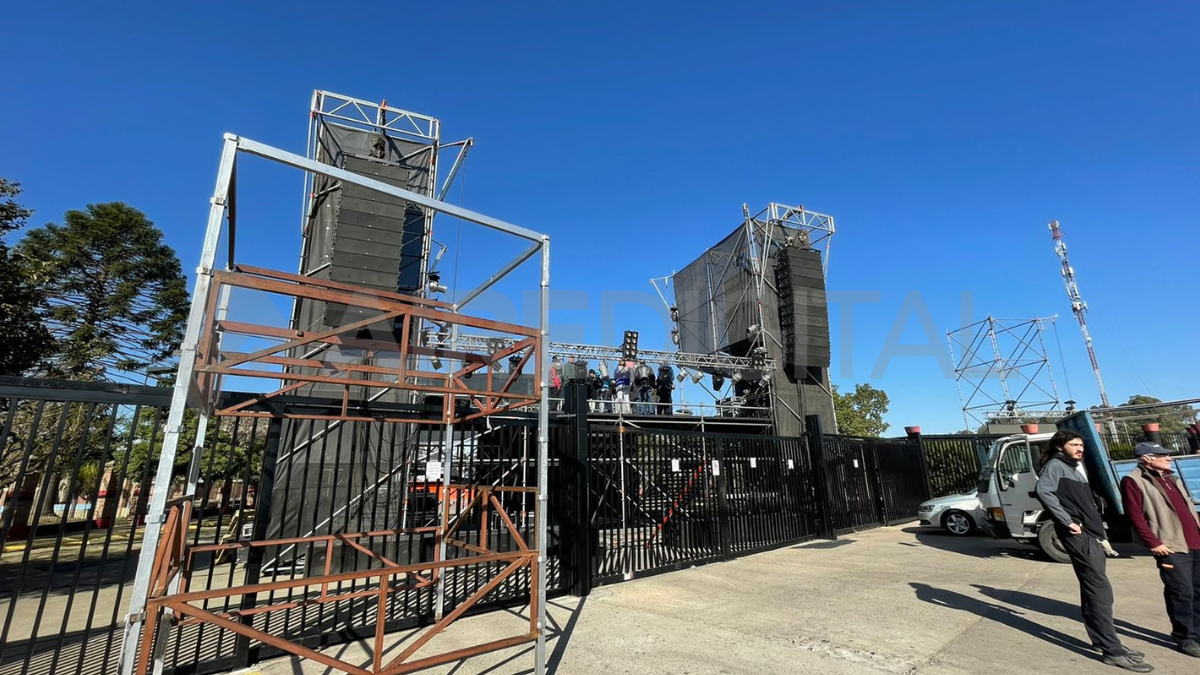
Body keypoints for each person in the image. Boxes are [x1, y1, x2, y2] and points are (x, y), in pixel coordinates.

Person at [1036, 430, 1151, 671]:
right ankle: (1113, 650)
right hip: (1080, 536)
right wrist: (1067, 520)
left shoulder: (1076, 465)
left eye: (1081, 444)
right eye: (1074, 444)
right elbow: (1043, 491)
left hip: (1092, 534)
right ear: (1059, 446)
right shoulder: (1056, 465)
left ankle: (1103, 642)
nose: (1080, 448)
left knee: (1094, 592)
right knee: (1099, 592)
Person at [1120, 441, 1200, 658]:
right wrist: (1154, 543)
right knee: (1181, 592)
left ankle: (1197, 633)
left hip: (1194, 542)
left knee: (1198, 591)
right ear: (1146, 458)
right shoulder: (1133, 480)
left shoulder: (1171, 477)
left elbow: (1188, 508)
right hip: (1170, 545)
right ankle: (1185, 637)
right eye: (1162, 455)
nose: (1168, 458)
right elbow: (1135, 515)